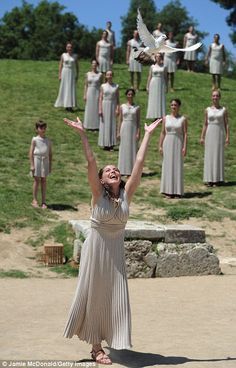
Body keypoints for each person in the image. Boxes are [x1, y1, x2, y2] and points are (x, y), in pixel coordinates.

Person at [63, 115, 162, 365]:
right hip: (96, 250)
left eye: (115, 169)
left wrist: (148, 133)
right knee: (95, 295)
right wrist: (83, 134)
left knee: (115, 296)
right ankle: (96, 349)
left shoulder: (127, 194)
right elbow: (91, 161)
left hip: (115, 252)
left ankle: (112, 337)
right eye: (108, 171)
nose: (113, 170)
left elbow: (139, 163)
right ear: (102, 180)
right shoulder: (98, 195)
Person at [200, 89, 229, 187]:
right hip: (209, 134)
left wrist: (227, 137)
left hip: (219, 134)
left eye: (217, 96)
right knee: (209, 155)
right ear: (211, 97)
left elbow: (226, 124)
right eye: (213, 96)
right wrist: (202, 137)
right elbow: (205, 124)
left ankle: (217, 179)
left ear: (219, 97)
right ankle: (209, 179)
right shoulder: (207, 110)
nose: (215, 97)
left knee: (218, 155)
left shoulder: (223, 110)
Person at [159, 98, 187, 198]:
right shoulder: (165, 118)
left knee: (177, 166)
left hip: (178, 143)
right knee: (168, 165)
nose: (173, 107)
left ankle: (177, 191)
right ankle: (167, 190)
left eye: (175, 105)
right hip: (168, 143)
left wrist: (184, 147)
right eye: (172, 105)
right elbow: (162, 132)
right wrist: (160, 146)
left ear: (179, 106)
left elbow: (185, 134)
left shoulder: (183, 119)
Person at [29, 120, 52, 209]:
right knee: (36, 180)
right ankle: (34, 200)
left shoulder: (48, 140)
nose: (43, 130)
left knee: (44, 180)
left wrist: (50, 166)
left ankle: (43, 201)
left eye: (44, 128)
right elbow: (31, 152)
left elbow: (50, 154)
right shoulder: (35, 139)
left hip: (45, 161)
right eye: (41, 128)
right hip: (37, 160)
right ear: (37, 129)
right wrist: (32, 165)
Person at [117, 89, 140, 176]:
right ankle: (122, 169)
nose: (130, 96)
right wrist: (118, 132)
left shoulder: (137, 107)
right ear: (126, 95)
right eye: (129, 94)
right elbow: (120, 120)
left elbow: (138, 121)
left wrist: (138, 132)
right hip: (124, 127)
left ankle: (132, 170)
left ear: (133, 96)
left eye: (131, 94)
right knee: (124, 148)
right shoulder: (122, 106)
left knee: (132, 148)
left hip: (133, 128)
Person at [98, 70, 119, 150]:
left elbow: (117, 99)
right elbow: (100, 98)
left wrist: (117, 108)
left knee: (112, 124)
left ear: (112, 76)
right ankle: (105, 143)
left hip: (113, 105)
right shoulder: (103, 86)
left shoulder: (116, 86)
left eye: (111, 75)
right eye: (108, 75)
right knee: (105, 124)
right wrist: (100, 109)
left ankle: (111, 144)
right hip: (105, 105)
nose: (109, 76)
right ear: (106, 76)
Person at [54, 42, 79, 112]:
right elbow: (60, 65)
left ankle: (70, 105)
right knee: (65, 88)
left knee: (71, 89)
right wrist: (59, 75)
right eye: (68, 47)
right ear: (66, 48)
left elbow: (77, 66)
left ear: (72, 48)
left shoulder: (75, 56)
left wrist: (77, 75)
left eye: (70, 47)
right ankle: (65, 104)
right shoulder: (63, 55)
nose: (69, 48)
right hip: (65, 72)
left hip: (72, 73)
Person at [146, 53, 167, 119]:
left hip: (161, 83)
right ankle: (154, 115)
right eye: (157, 56)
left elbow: (166, 77)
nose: (158, 58)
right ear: (155, 58)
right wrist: (147, 86)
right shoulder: (152, 66)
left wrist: (166, 86)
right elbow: (149, 76)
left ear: (161, 58)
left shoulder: (164, 66)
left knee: (161, 98)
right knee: (153, 99)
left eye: (159, 56)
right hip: (153, 83)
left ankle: (160, 116)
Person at [83, 60, 103, 130]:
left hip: (97, 92)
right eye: (93, 64)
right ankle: (88, 125)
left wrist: (101, 95)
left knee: (96, 108)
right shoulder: (87, 74)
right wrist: (84, 94)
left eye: (95, 64)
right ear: (91, 65)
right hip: (89, 92)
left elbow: (102, 86)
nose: (94, 65)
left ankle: (96, 126)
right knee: (89, 108)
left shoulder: (100, 74)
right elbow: (85, 85)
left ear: (97, 65)